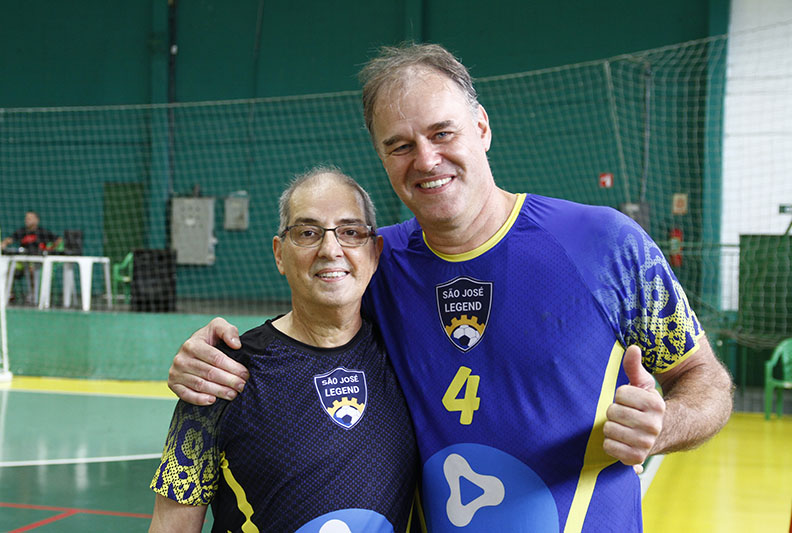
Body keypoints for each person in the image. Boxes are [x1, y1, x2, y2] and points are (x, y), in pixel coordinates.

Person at [167, 44, 734, 531]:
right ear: (382, 157)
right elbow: (308, 323)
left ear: (482, 127)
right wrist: (203, 358)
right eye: (400, 145)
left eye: (443, 133)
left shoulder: (604, 244)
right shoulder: (377, 261)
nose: (426, 159)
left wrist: (664, 425)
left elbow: (703, 380)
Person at [149, 167, 420, 533]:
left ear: (374, 252)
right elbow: (171, 526)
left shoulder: (409, 356)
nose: (330, 250)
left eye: (350, 232)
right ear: (279, 254)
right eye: (308, 233)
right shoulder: (222, 375)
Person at [0, 211, 62, 304]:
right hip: (22, 261)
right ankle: (9, 294)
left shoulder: (42, 232)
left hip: (39, 263)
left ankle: (34, 296)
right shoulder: (22, 231)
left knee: (32, 269)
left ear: (36, 220)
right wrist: (3, 243)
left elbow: (58, 240)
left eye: (30, 218)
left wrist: (50, 248)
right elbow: (9, 240)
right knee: (8, 270)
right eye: (26, 218)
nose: (27, 220)